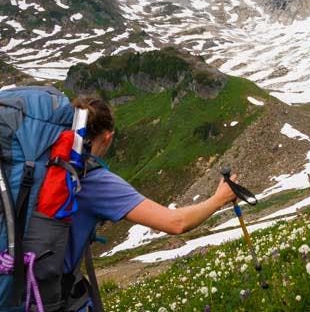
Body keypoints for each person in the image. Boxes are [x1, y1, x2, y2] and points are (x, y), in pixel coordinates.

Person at [64, 96, 237, 310]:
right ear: (108, 137)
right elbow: (176, 222)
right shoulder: (93, 181)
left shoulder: (43, 165)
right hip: (54, 298)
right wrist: (219, 198)